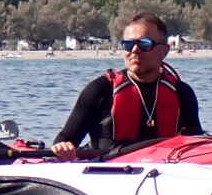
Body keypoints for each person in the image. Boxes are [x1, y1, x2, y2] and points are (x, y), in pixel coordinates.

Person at [50, 12, 201, 161]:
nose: (135, 50)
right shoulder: (99, 90)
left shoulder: (182, 93)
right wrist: (63, 149)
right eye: (128, 45)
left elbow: (198, 146)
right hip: (110, 173)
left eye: (145, 44)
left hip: (163, 172)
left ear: (165, 51)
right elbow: (64, 140)